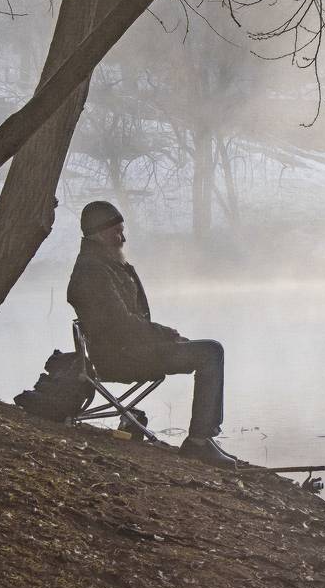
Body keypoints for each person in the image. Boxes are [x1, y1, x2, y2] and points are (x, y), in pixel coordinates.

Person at [67, 200, 242, 468]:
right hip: (122, 358)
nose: (123, 238)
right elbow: (121, 324)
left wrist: (162, 336)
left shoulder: (104, 265)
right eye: (117, 232)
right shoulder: (94, 271)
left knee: (208, 350)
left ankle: (203, 439)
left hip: (126, 351)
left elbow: (127, 322)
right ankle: (199, 442)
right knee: (210, 352)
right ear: (100, 234)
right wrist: (167, 336)